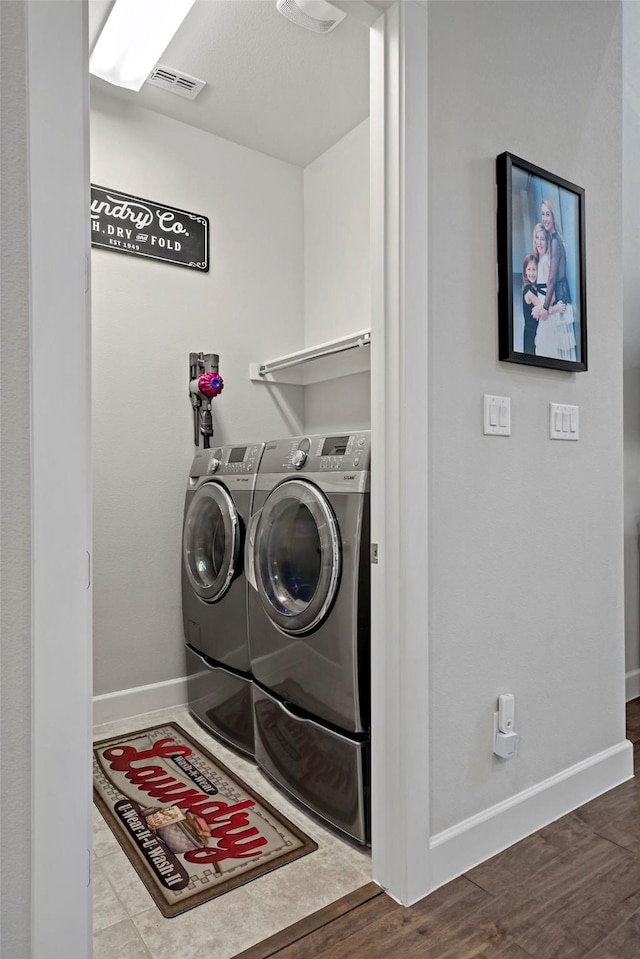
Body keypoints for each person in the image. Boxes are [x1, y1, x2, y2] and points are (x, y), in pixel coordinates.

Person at [538, 198, 577, 361]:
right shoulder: (557, 239)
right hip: (562, 297)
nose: (545, 218)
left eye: (548, 214)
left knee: (557, 352)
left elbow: (552, 278)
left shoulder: (554, 241)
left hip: (559, 300)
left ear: (553, 217)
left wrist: (545, 308)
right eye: (542, 214)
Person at [522, 251, 566, 357]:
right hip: (530, 335)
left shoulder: (535, 287)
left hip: (535, 331)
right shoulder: (528, 291)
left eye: (534, 270)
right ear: (525, 271)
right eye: (529, 269)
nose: (532, 273)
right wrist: (556, 308)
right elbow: (542, 311)